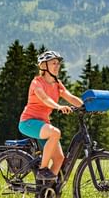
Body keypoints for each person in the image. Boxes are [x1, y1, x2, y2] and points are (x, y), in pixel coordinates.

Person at [19, 50, 83, 182]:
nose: (57, 66)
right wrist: (59, 106)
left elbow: (70, 97)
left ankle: (47, 191)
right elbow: (44, 98)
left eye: (58, 63)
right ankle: (42, 170)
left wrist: (86, 106)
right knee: (55, 132)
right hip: (28, 122)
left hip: (43, 125)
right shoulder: (36, 83)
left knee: (59, 159)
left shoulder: (57, 84)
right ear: (43, 66)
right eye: (53, 63)